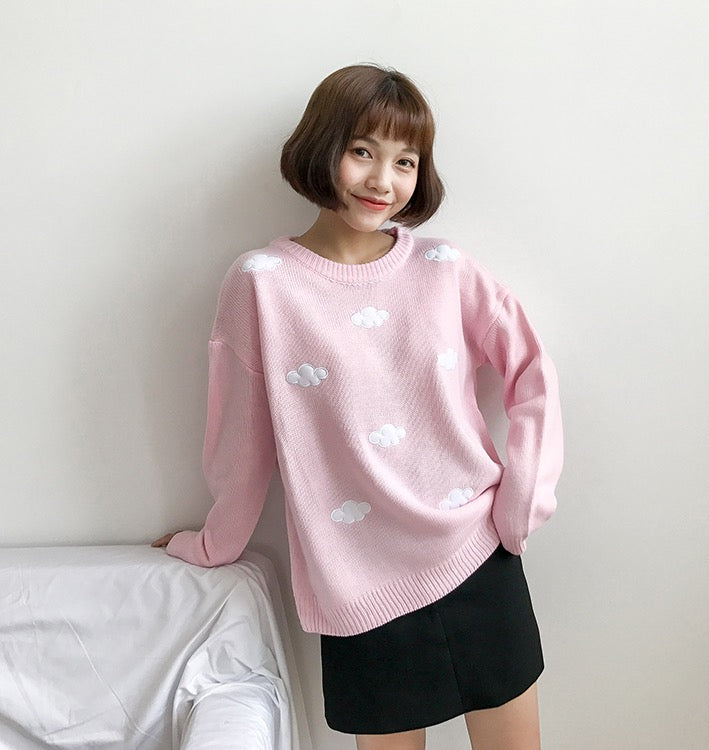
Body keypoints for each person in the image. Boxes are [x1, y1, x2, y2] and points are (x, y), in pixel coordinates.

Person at [152, 63, 563, 750]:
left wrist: (522, 501)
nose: (383, 181)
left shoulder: (445, 269)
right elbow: (241, 443)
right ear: (323, 148)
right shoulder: (262, 284)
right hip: (357, 584)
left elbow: (531, 371)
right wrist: (215, 543)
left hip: (476, 554)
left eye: (405, 161)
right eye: (362, 151)